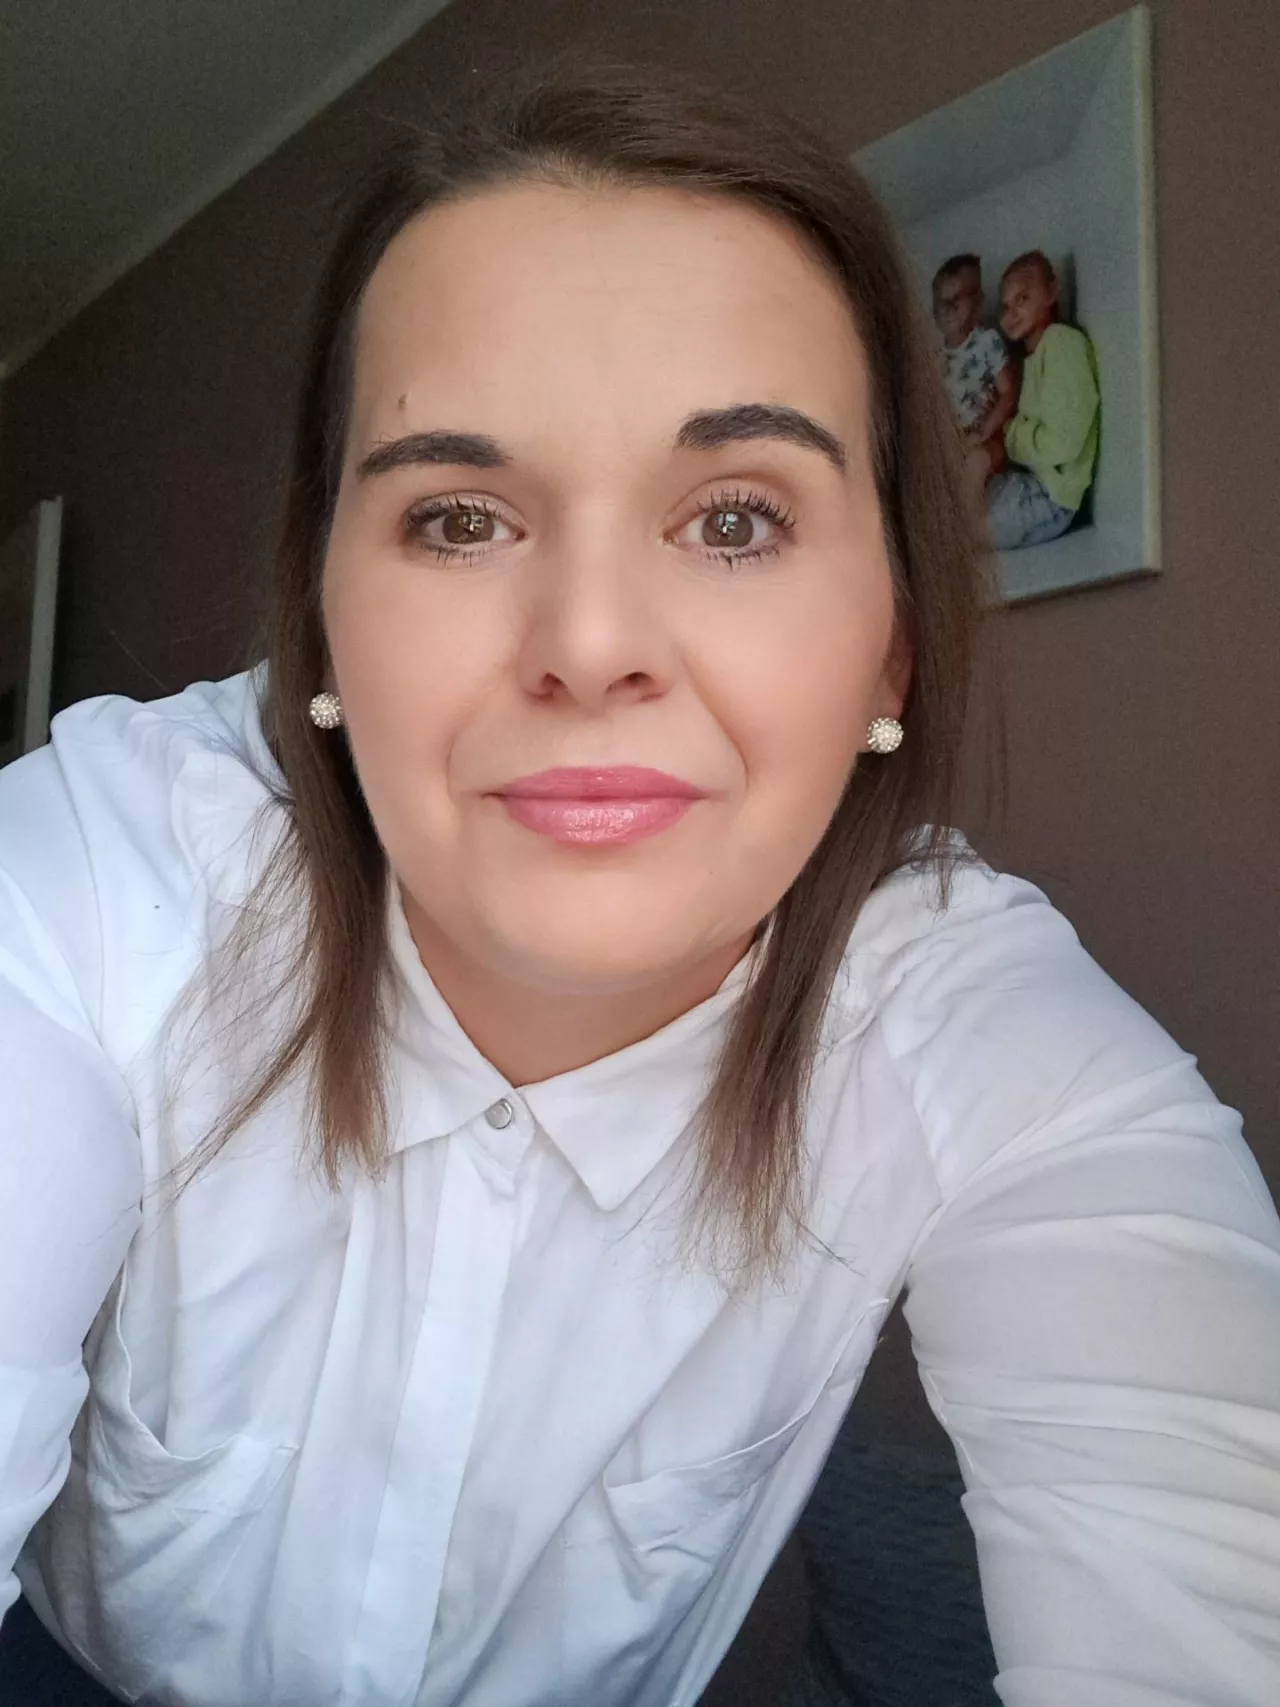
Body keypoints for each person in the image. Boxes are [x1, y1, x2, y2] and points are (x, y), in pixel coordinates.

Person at [1, 63, 1278, 1707]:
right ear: (317, 628)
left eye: (735, 519)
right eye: (459, 518)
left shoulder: (985, 1046)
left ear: (891, 646)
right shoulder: (103, 862)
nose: (592, 643)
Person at [987, 250, 1100, 551]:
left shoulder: (1063, 345)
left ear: (1051, 292)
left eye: (1022, 299)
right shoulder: (1035, 355)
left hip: (1051, 498)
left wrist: (1009, 433)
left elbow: (1062, 443)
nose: (1011, 313)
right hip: (1032, 484)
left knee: (959, 529)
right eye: (1005, 306)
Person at [931, 253, 1016, 484]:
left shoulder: (987, 341)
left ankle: (966, 507)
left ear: (978, 302)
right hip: (953, 443)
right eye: (943, 303)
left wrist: (982, 433)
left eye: (958, 299)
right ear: (935, 314)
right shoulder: (936, 358)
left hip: (987, 438)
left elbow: (1008, 394)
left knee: (977, 461)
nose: (950, 308)